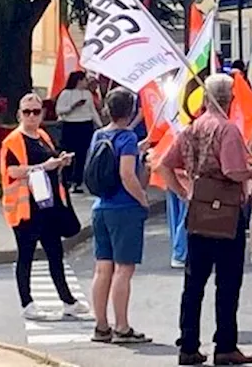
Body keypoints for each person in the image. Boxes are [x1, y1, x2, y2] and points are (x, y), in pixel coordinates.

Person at [158, 73, 252, 367]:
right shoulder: (227, 130)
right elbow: (233, 171)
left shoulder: (191, 129)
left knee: (193, 283)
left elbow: (164, 165)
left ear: (206, 99)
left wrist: (184, 193)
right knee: (228, 282)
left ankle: (189, 345)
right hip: (227, 213)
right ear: (229, 100)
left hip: (197, 210)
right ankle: (225, 346)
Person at [0, 94, 91, 321]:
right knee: (26, 255)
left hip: (46, 206)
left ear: (42, 114)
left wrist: (60, 161)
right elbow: (12, 171)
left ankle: (67, 300)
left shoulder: (42, 136)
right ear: (19, 114)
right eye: (27, 111)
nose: (32, 116)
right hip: (25, 208)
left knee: (55, 253)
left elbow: (50, 161)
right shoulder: (13, 141)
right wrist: (42, 166)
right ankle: (27, 303)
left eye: (36, 111)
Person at [88, 88, 151, 345]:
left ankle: (101, 325)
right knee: (124, 269)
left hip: (101, 206)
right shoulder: (126, 137)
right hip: (123, 208)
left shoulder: (98, 135)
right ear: (131, 111)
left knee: (103, 268)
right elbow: (127, 174)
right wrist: (142, 199)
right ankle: (122, 326)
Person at [56, 71, 102, 192]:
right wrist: (73, 106)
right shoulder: (66, 93)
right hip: (70, 125)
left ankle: (78, 181)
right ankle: (66, 179)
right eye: (84, 80)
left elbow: (92, 111)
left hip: (85, 124)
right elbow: (59, 110)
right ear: (78, 81)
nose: (86, 82)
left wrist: (100, 125)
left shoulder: (87, 94)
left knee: (82, 154)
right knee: (69, 152)